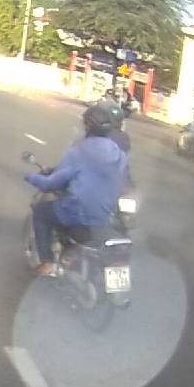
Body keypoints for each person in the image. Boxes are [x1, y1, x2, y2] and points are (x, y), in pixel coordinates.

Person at [24, 104, 129, 277]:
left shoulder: (80, 150)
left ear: (88, 126)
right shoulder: (119, 153)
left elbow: (51, 184)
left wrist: (31, 177)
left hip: (78, 213)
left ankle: (47, 262)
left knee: (41, 212)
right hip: (104, 215)